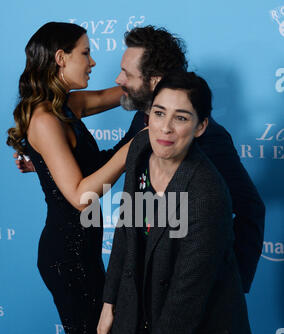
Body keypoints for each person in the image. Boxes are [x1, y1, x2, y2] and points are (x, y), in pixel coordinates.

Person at [17, 25, 265, 295]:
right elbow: (119, 158)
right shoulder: (141, 119)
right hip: (140, 279)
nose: (117, 79)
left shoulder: (209, 137)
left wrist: (233, 285)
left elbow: (251, 208)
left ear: (154, 81)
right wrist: (50, 164)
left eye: (126, 73)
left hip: (189, 281)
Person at [97, 70, 258, 334]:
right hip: (156, 330)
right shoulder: (140, 148)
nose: (165, 128)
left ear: (201, 127)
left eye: (181, 117)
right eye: (158, 112)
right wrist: (110, 303)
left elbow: (189, 295)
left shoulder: (206, 194)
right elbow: (128, 229)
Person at [7, 21, 134, 334]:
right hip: (66, 257)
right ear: (60, 58)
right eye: (85, 52)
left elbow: (126, 95)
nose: (94, 60)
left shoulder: (68, 107)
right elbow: (81, 195)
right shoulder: (44, 119)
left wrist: (157, 83)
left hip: (84, 253)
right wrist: (134, 146)